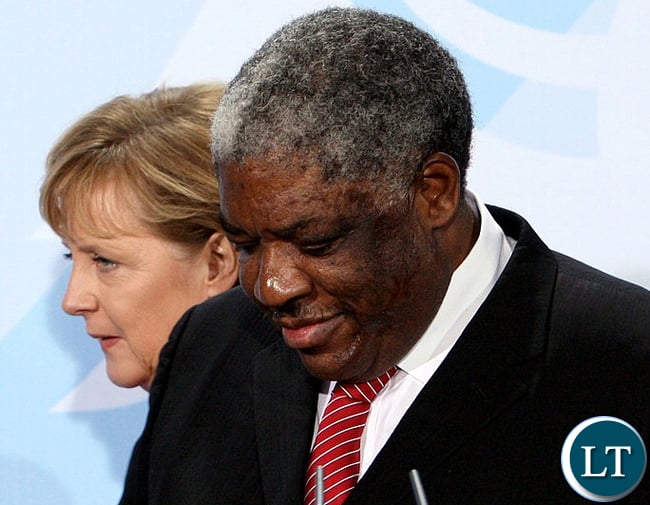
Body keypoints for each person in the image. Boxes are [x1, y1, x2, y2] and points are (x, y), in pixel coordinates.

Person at [120, 7, 650, 505]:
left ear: (433, 192)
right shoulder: (209, 347)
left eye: (318, 243)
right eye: (247, 244)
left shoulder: (625, 363)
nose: (272, 288)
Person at [39, 83, 240, 391]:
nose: (72, 301)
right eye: (70, 255)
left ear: (217, 262)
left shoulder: (310, 433)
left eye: (105, 261)